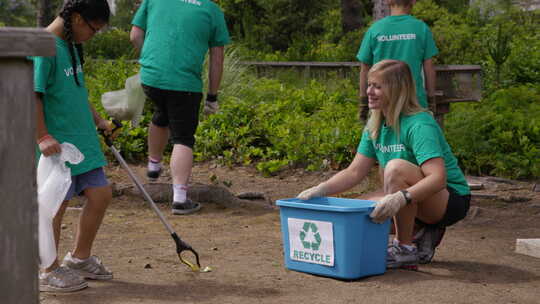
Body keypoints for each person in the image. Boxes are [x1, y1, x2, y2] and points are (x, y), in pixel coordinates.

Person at [297, 60, 470, 270]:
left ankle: (404, 249)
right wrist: (320, 190)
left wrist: (401, 198)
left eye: (377, 86)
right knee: (359, 214)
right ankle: (422, 232)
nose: (369, 91)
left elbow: (438, 178)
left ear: (398, 90)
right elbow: (354, 172)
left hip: (448, 199)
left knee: (396, 168)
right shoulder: (375, 125)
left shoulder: (419, 124)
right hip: (414, 196)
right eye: (369, 85)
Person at [33, 0, 114, 292]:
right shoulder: (43, 46)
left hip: (82, 141)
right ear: (77, 18)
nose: (92, 35)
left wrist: (98, 119)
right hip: (57, 145)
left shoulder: (70, 45)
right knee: (56, 205)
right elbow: (32, 95)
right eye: (93, 29)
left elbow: (77, 91)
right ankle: (49, 268)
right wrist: (42, 136)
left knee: (101, 194)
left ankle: (79, 258)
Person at [129, 0, 230, 215]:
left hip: (151, 78)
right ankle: (180, 198)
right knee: (183, 138)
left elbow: (135, 35)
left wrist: (149, 60)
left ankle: (154, 167)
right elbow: (217, 59)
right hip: (185, 84)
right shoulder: (211, 10)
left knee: (162, 114)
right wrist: (212, 96)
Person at [357, 0, 439, 121]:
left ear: (387, 1)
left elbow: (364, 68)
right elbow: (429, 69)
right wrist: (432, 100)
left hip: (382, 102)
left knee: (383, 138)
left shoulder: (375, 29)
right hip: (414, 102)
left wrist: (364, 102)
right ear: (413, 1)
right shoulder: (421, 28)